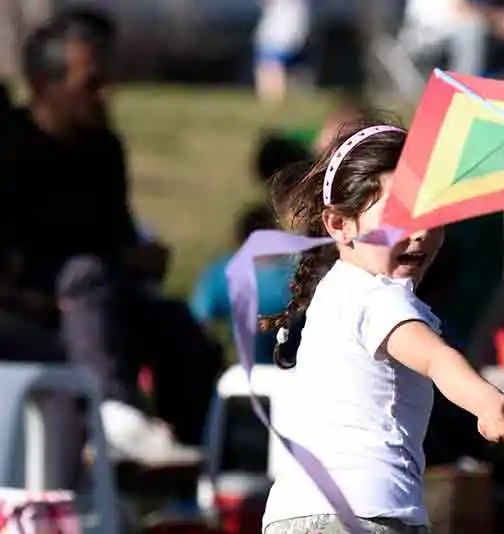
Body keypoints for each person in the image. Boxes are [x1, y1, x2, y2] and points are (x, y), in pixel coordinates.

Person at [259, 118, 504, 534]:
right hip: (369, 515)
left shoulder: (334, 293)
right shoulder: (380, 299)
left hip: (293, 517)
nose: (419, 233)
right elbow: (435, 359)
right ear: (339, 224)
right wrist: (485, 401)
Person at [0, 9, 223, 464]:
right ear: (45, 84)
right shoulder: (11, 147)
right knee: (84, 276)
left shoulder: (104, 149)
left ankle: (191, 468)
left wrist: (139, 259)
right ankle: (112, 412)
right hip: (25, 312)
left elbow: (115, 237)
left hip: (100, 307)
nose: (107, 93)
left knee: (180, 329)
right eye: (91, 82)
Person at [191, 203, 295, 364]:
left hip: (243, 378)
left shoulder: (223, 273)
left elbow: (197, 323)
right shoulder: (298, 274)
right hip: (294, 375)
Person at [253, 0, 309, 102]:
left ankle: (272, 99)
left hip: (279, 33)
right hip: (289, 31)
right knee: (276, 66)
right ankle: (275, 98)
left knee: (270, 66)